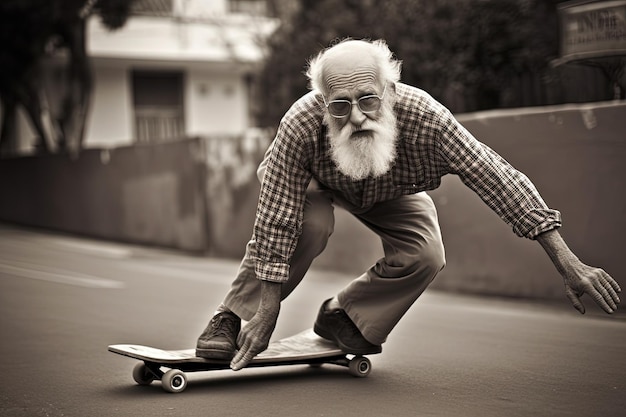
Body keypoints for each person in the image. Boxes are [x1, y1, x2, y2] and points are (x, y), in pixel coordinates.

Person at [195, 39, 621, 370]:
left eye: (368, 99)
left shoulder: (427, 119)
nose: (357, 116)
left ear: (391, 91)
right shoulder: (301, 123)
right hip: (312, 185)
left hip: (389, 188)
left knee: (426, 254)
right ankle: (231, 316)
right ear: (323, 105)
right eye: (340, 106)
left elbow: (498, 178)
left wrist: (569, 264)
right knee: (311, 226)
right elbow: (276, 218)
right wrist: (268, 309)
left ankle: (347, 316)